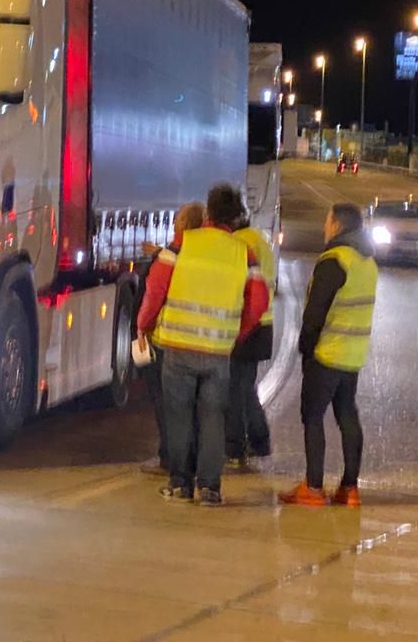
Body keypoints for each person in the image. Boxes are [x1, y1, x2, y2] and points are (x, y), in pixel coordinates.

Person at [137, 183, 267, 507]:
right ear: (235, 217)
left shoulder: (183, 245)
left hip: (178, 349)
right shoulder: (243, 253)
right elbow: (258, 301)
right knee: (213, 419)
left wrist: (144, 325)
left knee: (179, 416)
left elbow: (155, 289)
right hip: (218, 353)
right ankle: (210, 488)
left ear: (208, 212)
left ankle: (180, 484)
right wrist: (236, 333)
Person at [279, 201, 379, 508]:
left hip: (327, 354)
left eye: (327, 221)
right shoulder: (367, 262)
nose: (325, 227)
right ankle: (350, 489)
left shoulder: (334, 260)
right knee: (347, 415)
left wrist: (306, 348)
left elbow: (314, 314)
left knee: (312, 416)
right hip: (352, 356)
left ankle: (313, 487)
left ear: (337, 225)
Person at [137, 201, 205, 477]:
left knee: (165, 402)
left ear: (182, 224)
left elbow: (154, 297)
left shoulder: (169, 257)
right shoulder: (203, 257)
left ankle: (170, 459)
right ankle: (192, 460)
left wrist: (142, 328)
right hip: (201, 341)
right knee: (194, 406)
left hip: (166, 339)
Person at [225, 216, 275, 471]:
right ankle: (259, 440)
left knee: (235, 389)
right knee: (245, 388)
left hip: (247, 322)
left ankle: (235, 447)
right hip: (264, 324)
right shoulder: (260, 239)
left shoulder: (239, 243)